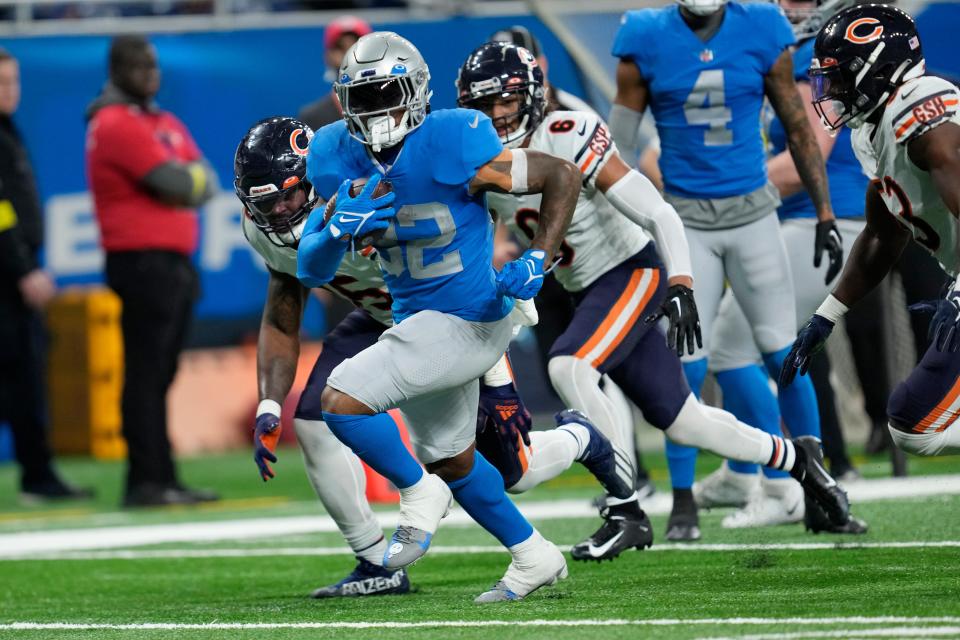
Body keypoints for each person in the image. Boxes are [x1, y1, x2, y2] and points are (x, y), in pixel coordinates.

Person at [457, 40, 854, 559]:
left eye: (505, 102)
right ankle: (800, 462)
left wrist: (681, 281)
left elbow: (657, 213)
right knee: (685, 419)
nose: (495, 114)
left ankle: (625, 508)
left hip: (631, 271)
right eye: (483, 105)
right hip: (588, 289)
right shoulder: (476, 159)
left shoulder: (566, 133)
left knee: (569, 366)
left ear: (531, 97)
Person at [236, 117, 628, 597]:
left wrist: (501, 362)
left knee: (513, 474)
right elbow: (285, 305)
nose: (277, 212)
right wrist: (269, 403)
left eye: (287, 196)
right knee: (320, 420)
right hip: (384, 318)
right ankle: (375, 561)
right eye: (263, 202)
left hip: (455, 315)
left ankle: (577, 439)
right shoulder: (278, 228)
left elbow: (471, 223)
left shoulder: (371, 179)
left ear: (312, 176)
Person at [295, 31, 594, 603]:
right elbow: (310, 270)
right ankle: (534, 555)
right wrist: (335, 227)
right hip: (414, 321)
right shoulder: (334, 155)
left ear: (416, 91)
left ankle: (416, 493)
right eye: (364, 96)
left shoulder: (455, 138)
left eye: (388, 92)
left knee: (340, 399)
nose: (377, 108)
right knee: (455, 461)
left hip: (472, 317)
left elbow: (563, 175)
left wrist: (537, 256)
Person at [609, 0, 841, 541]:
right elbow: (618, 146)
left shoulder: (762, 24)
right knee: (685, 364)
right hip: (685, 221)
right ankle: (683, 501)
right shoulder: (644, 35)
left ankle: (821, 488)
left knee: (787, 354)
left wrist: (824, 210)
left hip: (755, 214)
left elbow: (797, 124)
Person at [701, 0, 867, 533]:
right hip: (821, 220)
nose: (783, 6)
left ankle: (783, 485)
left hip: (821, 221)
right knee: (761, 350)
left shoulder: (811, 60)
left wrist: (729, 191)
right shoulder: (794, 55)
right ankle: (781, 478)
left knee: (732, 348)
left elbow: (811, 150)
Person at [781, 4, 960, 458]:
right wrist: (827, 314)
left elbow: (948, 156)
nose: (831, 88)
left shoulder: (919, 103)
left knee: (917, 424)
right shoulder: (872, 131)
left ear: (877, 69)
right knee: (911, 423)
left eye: (839, 75)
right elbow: (882, 233)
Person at [488, 25, 657, 499]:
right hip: (545, 264)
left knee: (586, 366)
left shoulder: (570, 116)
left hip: (593, 260)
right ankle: (622, 472)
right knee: (563, 365)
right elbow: (501, 188)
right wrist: (507, 241)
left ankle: (629, 472)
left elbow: (609, 184)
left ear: (538, 67)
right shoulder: (495, 122)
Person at [86, 35, 219, 507]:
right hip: (141, 261)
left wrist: (186, 181)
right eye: (139, 65)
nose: (150, 73)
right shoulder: (114, 122)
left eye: (153, 65)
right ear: (117, 70)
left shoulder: (161, 121)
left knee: (160, 373)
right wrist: (185, 181)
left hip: (172, 262)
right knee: (145, 373)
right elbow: (172, 180)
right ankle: (144, 480)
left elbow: (203, 180)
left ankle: (163, 476)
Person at [0, 47, 92, 502]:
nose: (10, 91)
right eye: (2, 83)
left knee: (24, 379)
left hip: (13, 274)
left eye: (13, 82)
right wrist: (23, 268)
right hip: (6, 280)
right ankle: (38, 476)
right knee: (20, 379)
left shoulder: (8, 131)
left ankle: (39, 473)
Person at [298, 15, 373, 131]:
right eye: (340, 48)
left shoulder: (394, 106)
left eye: (356, 45)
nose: (349, 54)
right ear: (328, 57)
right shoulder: (311, 117)